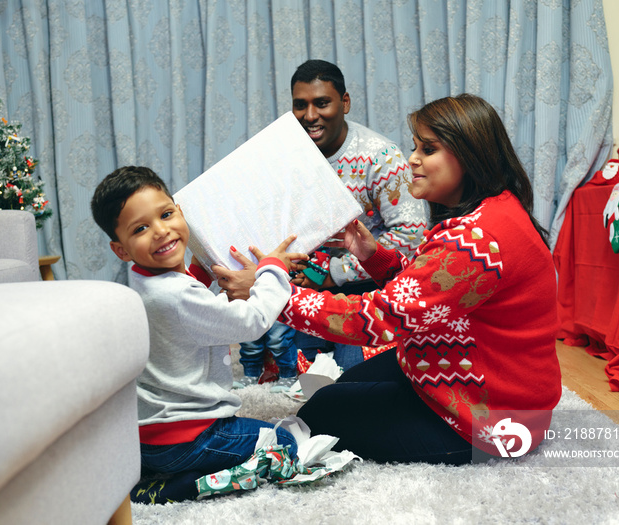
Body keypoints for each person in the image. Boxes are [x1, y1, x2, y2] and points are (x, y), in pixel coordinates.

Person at [226, 94, 562, 464]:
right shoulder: (497, 209)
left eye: (428, 149)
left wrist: (270, 293)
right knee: (333, 393)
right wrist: (373, 255)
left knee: (319, 416)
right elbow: (433, 297)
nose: (412, 159)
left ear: (469, 156)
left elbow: (376, 318)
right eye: (415, 146)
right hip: (468, 376)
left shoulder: (475, 239)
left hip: (491, 417)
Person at [90, 166, 306, 502]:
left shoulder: (137, 278)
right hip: (193, 437)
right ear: (122, 248)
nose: (161, 231)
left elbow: (185, 307)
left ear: (180, 211)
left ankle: (162, 470)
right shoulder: (177, 297)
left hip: (148, 439)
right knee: (288, 441)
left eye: (165, 214)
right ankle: (179, 488)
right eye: (142, 228)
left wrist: (199, 271)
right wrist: (272, 271)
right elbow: (252, 320)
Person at [218, 59, 429, 371]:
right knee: (306, 377)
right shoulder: (285, 156)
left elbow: (411, 235)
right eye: (300, 105)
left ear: (344, 103)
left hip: (367, 289)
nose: (310, 115)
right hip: (303, 285)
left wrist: (335, 273)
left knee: (354, 378)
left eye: (321, 103)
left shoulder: (380, 156)